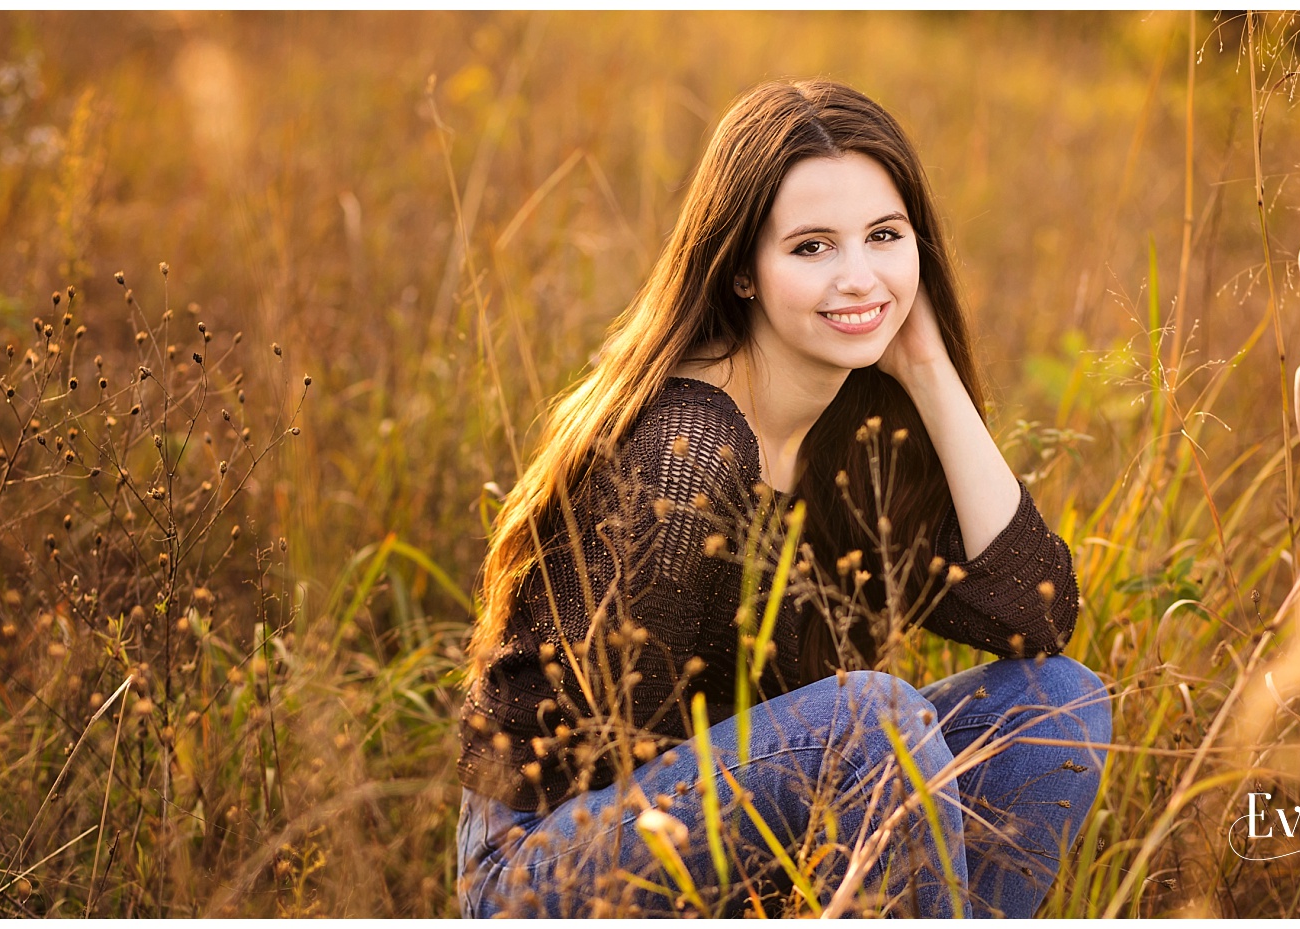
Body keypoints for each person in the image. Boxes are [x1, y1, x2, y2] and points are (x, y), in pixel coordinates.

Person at [453, 79, 1112, 918]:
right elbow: (600, 753)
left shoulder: (859, 424)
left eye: (884, 236)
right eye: (811, 248)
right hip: (549, 857)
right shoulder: (687, 450)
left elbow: (1037, 617)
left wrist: (928, 368)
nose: (859, 276)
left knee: (1059, 705)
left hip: (744, 803)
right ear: (742, 273)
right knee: (869, 721)